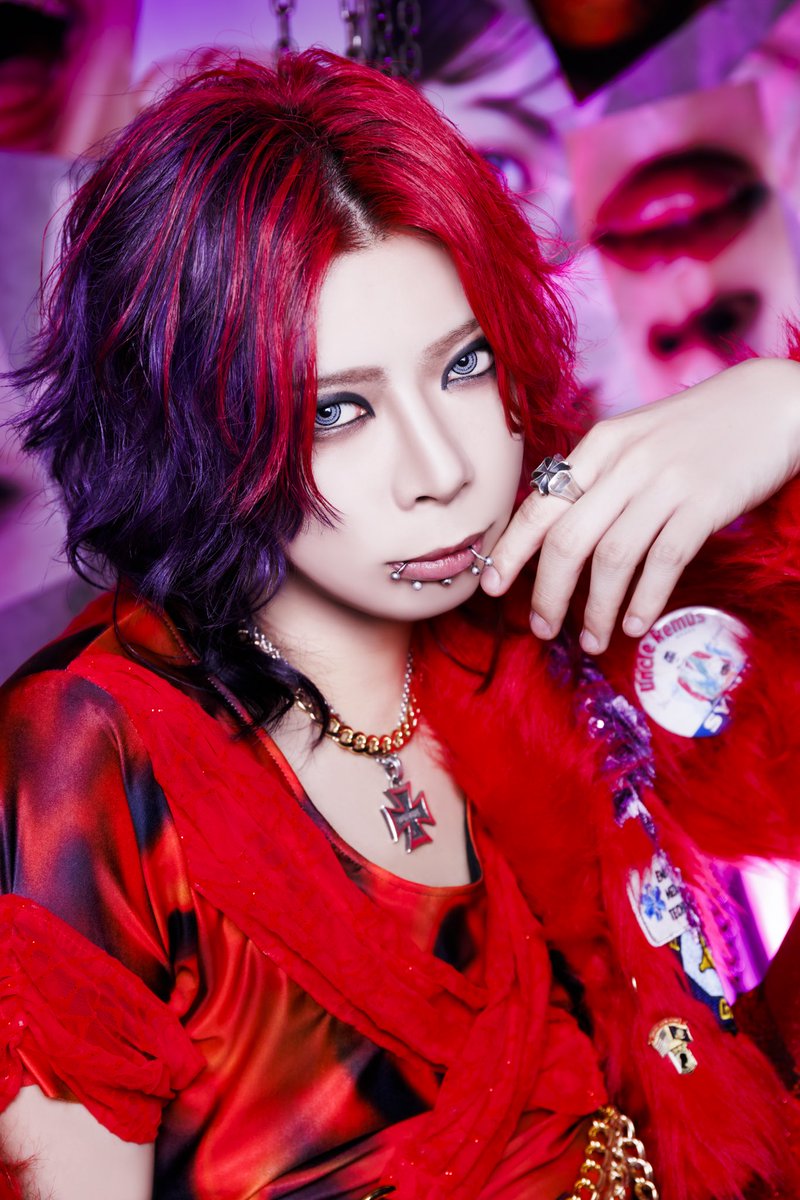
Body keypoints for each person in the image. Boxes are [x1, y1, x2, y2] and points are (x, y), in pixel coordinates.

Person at [0, 49, 799, 1200]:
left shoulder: (562, 624)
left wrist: (781, 407)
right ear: (192, 426)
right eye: (337, 411)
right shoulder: (93, 748)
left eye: (461, 366)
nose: (440, 471)